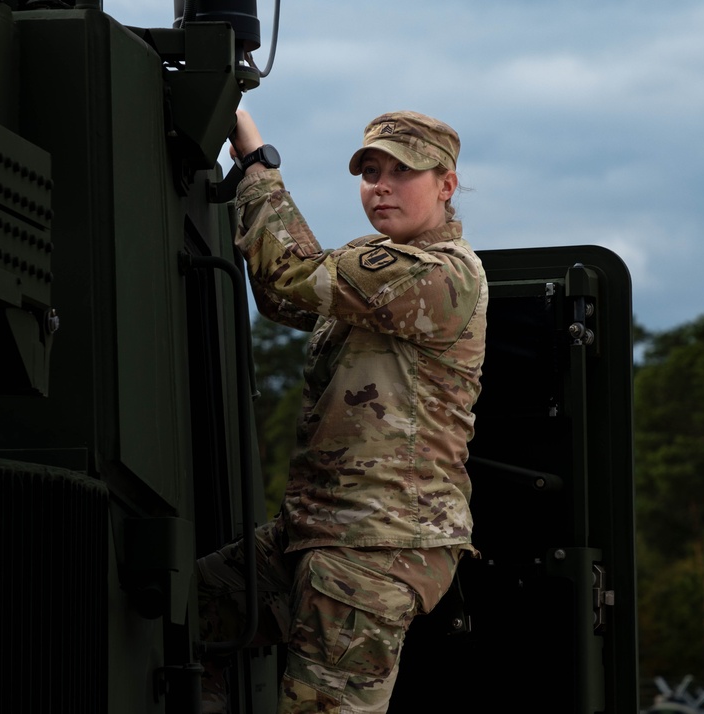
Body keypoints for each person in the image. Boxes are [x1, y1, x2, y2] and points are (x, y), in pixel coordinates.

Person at [197, 109, 488, 714]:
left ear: (446, 185)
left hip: (376, 549)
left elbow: (295, 272)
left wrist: (255, 162)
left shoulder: (439, 276)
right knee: (186, 609)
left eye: (402, 172)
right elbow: (282, 295)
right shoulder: (371, 263)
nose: (380, 185)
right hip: (318, 532)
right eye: (370, 171)